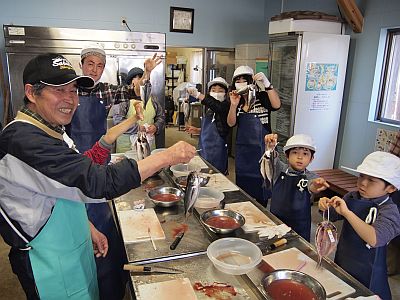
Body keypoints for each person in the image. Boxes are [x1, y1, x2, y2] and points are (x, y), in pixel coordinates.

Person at [0, 53, 196, 300]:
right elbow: (97, 182)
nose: (69, 99)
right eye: (59, 91)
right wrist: (166, 156)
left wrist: (87, 226)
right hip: (48, 262)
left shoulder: (50, 129)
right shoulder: (23, 141)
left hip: (73, 248)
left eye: (72, 91)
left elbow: (60, 188)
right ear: (31, 93)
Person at [66, 43, 162, 300]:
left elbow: (132, 91)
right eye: (90, 64)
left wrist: (147, 73)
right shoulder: (69, 91)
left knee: (100, 209)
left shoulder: (105, 92)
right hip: (74, 160)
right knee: (78, 215)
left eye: (100, 66)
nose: (95, 70)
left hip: (100, 154)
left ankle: (109, 277)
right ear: (81, 64)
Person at [318, 151, 400, 300]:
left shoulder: (390, 211)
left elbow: (375, 239)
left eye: (371, 180)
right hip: (344, 260)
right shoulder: (352, 197)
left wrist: (348, 213)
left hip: (370, 273)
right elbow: (334, 215)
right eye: (361, 176)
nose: (363, 183)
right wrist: (326, 205)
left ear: (391, 188)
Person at [227, 66, 281, 205]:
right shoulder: (237, 101)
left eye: (244, 80)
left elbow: (276, 105)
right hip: (244, 154)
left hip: (262, 152)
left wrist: (267, 84)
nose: (241, 83)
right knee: (244, 190)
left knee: (262, 186)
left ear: (251, 82)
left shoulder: (261, 97)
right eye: (238, 80)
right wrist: (233, 105)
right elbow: (231, 123)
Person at [263, 133, 329, 241]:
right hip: (276, 220)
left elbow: (311, 185)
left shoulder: (311, 176)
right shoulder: (280, 169)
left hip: (300, 226)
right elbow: (270, 161)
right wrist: (270, 148)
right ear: (287, 156)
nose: (300, 157)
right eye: (295, 152)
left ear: (311, 159)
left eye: (305, 154)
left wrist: (315, 185)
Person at [113, 66, 165, 153]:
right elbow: (118, 121)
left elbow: (161, 116)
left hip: (147, 144)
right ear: (131, 82)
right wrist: (137, 128)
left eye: (141, 77)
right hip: (127, 146)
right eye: (136, 78)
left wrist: (156, 126)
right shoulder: (124, 98)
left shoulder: (153, 99)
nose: (140, 81)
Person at [187, 77, 230, 174]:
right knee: (202, 172)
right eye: (213, 90)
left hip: (218, 151)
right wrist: (198, 130)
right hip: (204, 148)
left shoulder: (225, 107)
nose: (216, 93)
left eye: (220, 91)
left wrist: (198, 95)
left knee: (216, 176)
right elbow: (211, 127)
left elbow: (216, 106)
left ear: (226, 93)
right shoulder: (208, 109)